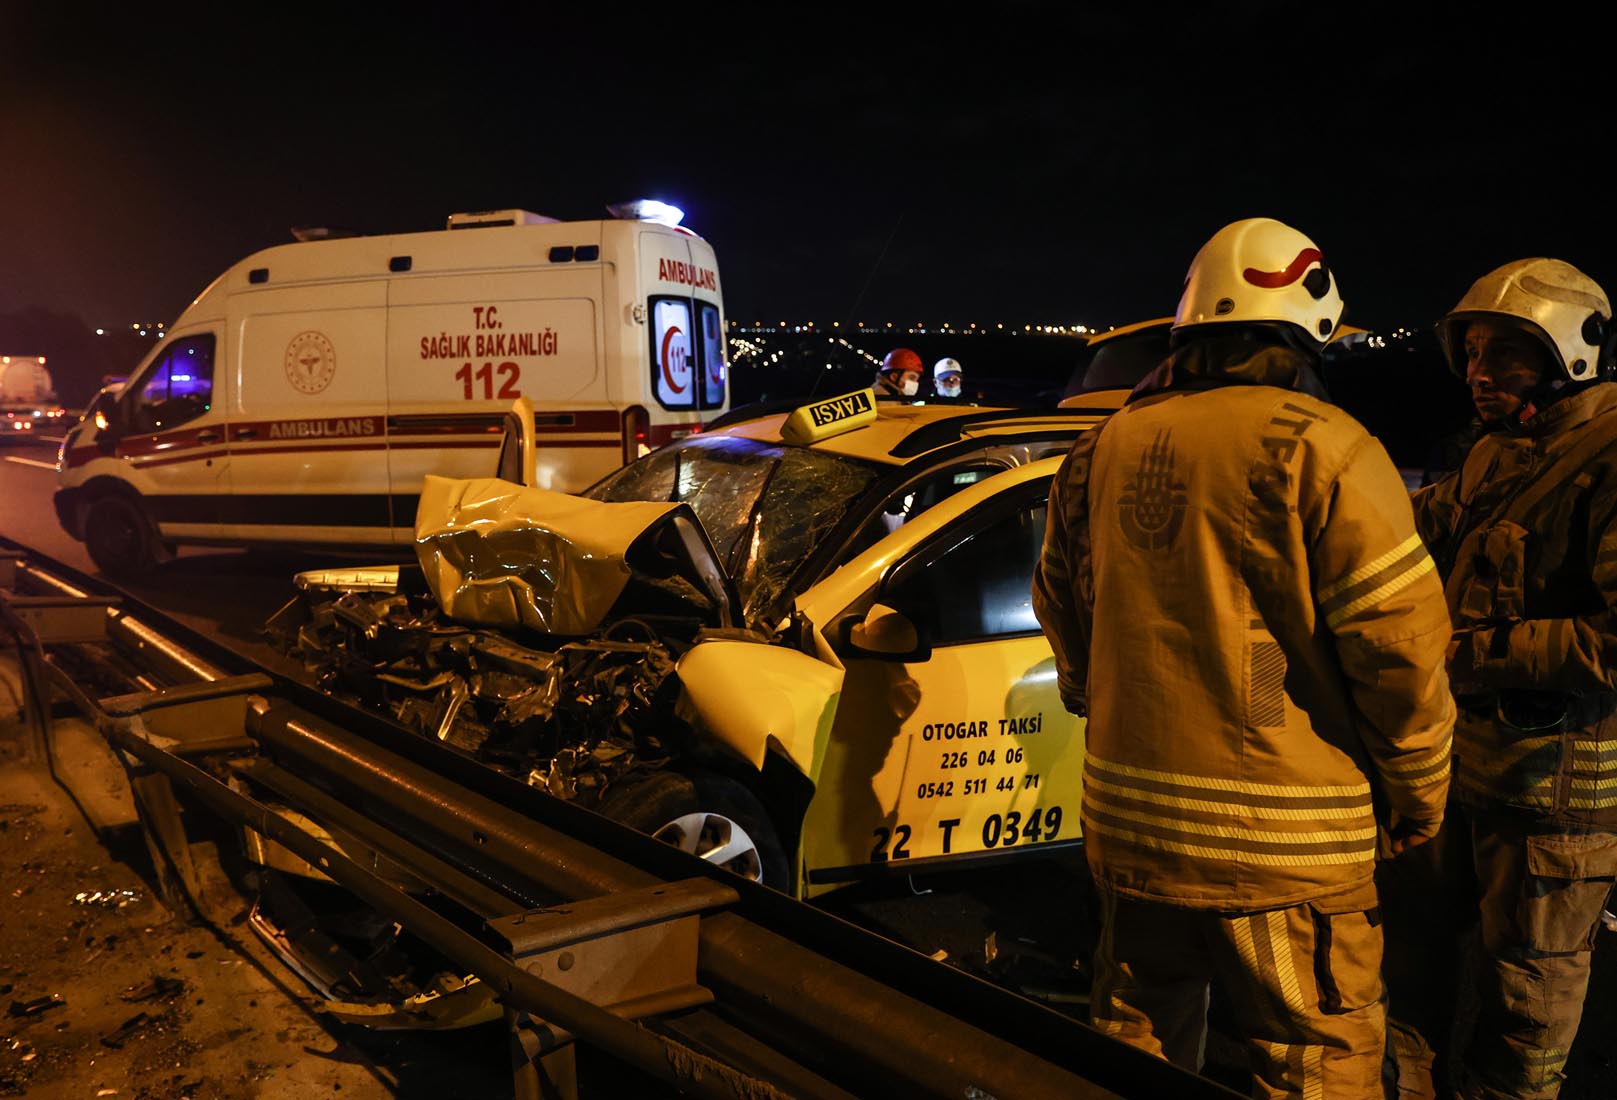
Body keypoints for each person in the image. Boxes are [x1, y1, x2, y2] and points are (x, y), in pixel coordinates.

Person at [1032, 216, 1455, 1098]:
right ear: (1307, 329)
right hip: (1284, 853)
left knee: (1134, 1044)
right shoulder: (1327, 447)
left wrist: (1091, 694)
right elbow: (1397, 652)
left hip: (1132, 836)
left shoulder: (1101, 444)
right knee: (1310, 1062)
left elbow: (1062, 604)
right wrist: (1418, 794)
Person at [1400, 258, 1617, 1100]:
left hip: (1553, 804)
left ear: (1568, 353)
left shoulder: (1606, 454)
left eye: (1503, 354)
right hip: (1458, 774)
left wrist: (1468, 653)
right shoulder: (1498, 452)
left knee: (1525, 1006)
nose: (1477, 373)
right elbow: (1411, 524)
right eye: (1470, 352)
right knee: (1408, 974)